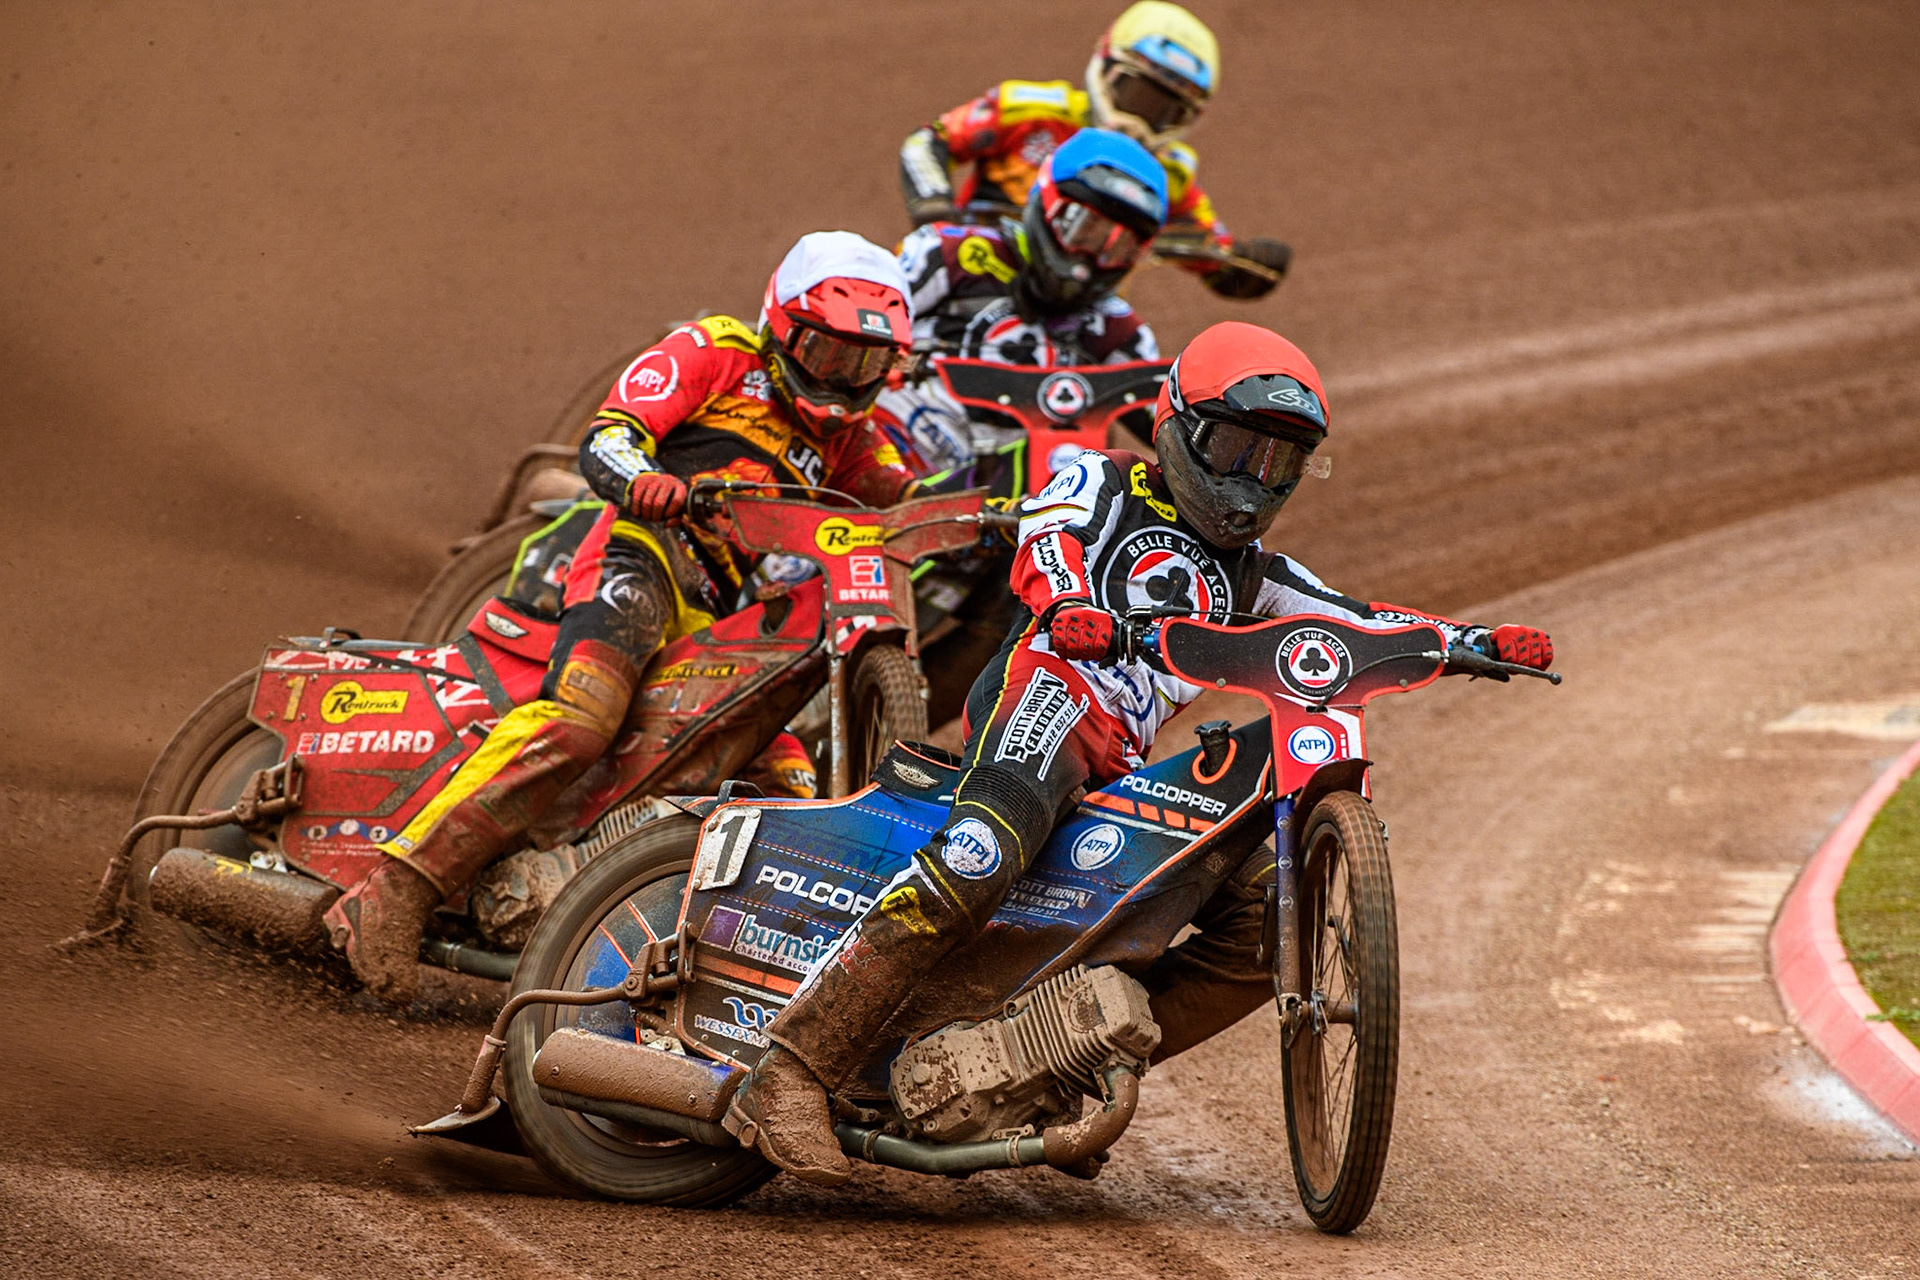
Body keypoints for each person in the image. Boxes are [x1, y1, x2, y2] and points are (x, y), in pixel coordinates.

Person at [724, 321, 1556, 1185]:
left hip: (1119, 758)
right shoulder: (1103, 481)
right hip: (1049, 694)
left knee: (1265, 929)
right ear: (1178, 427)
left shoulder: (1260, 573)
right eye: (1236, 448)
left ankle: (1047, 1066)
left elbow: (1358, 620)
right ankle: (790, 1071)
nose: (1252, 480)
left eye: (1279, 463)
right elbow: (1050, 534)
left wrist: (1474, 641)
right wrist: (1068, 602)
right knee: (979, 854)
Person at [324, 231, 922, 1007]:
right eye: (827, 352)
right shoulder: (713, 352)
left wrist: (1002, 517)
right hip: (636, 558)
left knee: (785, 786)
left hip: (718, 614)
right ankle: (393, 890)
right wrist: (644, 480)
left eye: (866, 364)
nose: (843, 379)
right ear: (782, 324)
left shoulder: (851, 442)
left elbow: (903, 502)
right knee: (581, 720)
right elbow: (609, 436)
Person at [897, 1, 1290, 300]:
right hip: (959, 274)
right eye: (1137, 94)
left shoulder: (1168, 176)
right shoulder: (1030, 110)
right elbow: (929, 141)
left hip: (1067, 312)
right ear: (1106, 67)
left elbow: (1213, 253)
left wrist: (1245, 264)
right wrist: (934, 207)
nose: (1139, 119)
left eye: (1164, 111)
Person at [878, 125, 1167, 476]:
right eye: (1084, 228)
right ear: (1046, 201)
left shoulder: (1118, 329)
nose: (1091, 257)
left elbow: (1172, 423)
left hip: (1016, 506)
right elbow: (865, 314)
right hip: (888, 459)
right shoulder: (955, 253)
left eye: (1119, 248)